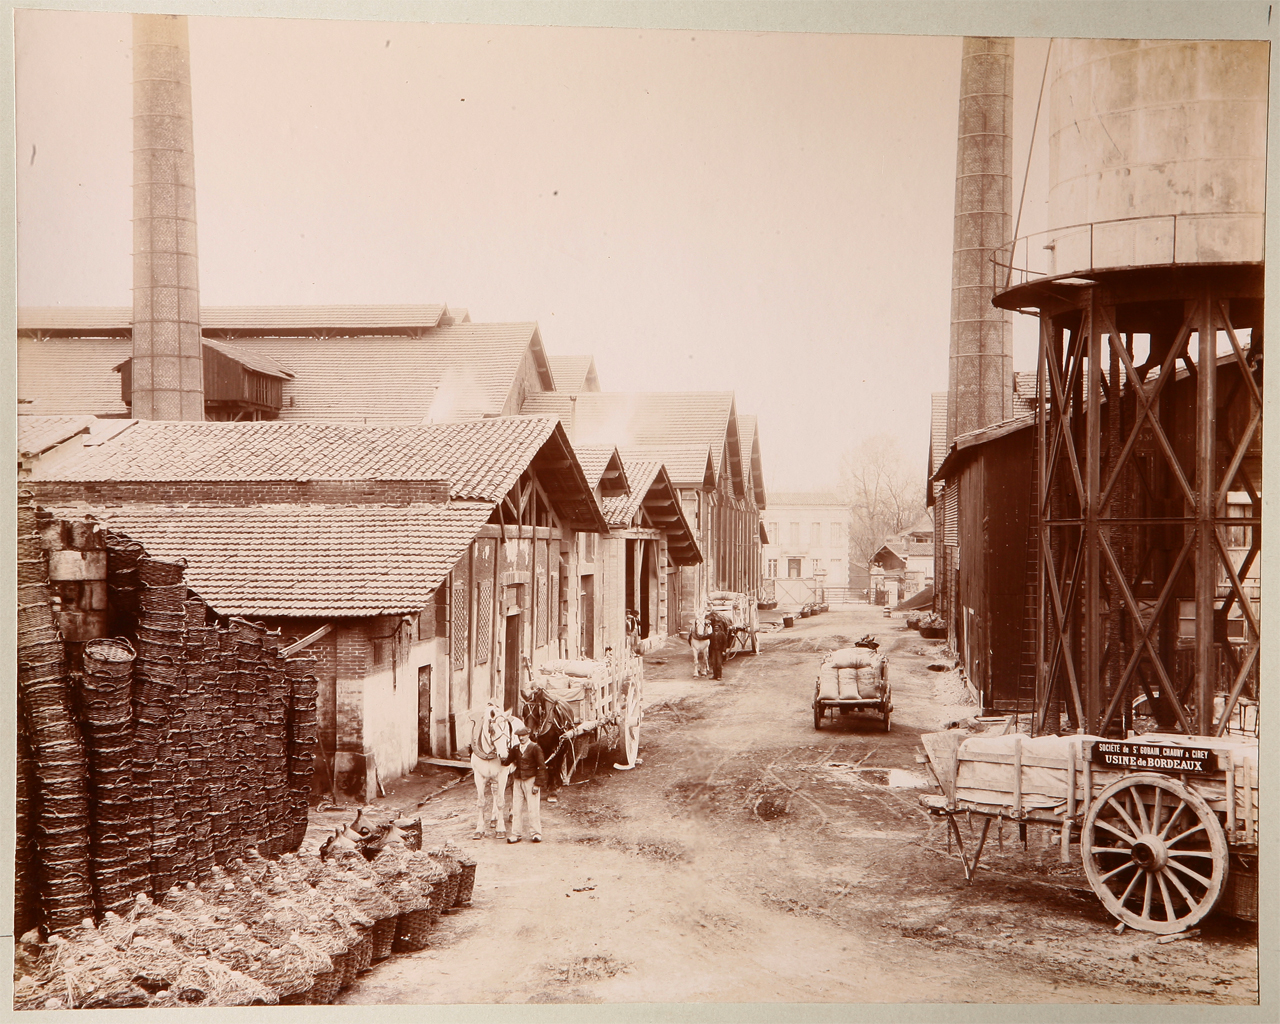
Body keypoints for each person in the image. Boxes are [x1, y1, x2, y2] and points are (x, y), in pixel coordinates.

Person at [501, 724, 548, 843]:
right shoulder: (515, 748)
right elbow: (507, 762)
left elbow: (541, 767)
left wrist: (537, 784)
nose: (521, 738)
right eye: (519, 736)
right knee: (516, 808)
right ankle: (516, 834)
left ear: (528, 735)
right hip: (518, 781)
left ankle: (536, 833)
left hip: (531, 781)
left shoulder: (535, 748)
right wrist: (502, 753)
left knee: (533, 808)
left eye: (523, 735)